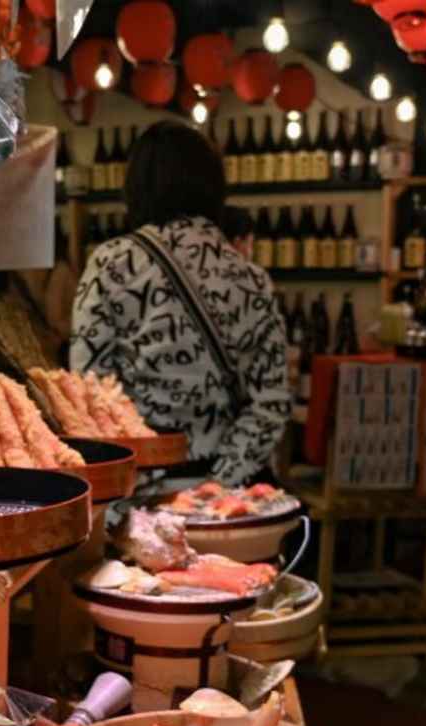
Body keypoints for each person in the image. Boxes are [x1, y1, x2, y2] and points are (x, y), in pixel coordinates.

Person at [70, 121, 291, 485]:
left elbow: (89, 395)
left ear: (137, 188)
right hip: (228, 504)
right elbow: (270, 403)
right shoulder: (251, 279)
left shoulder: (112, 265)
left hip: (139, 493)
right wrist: (217, 489)